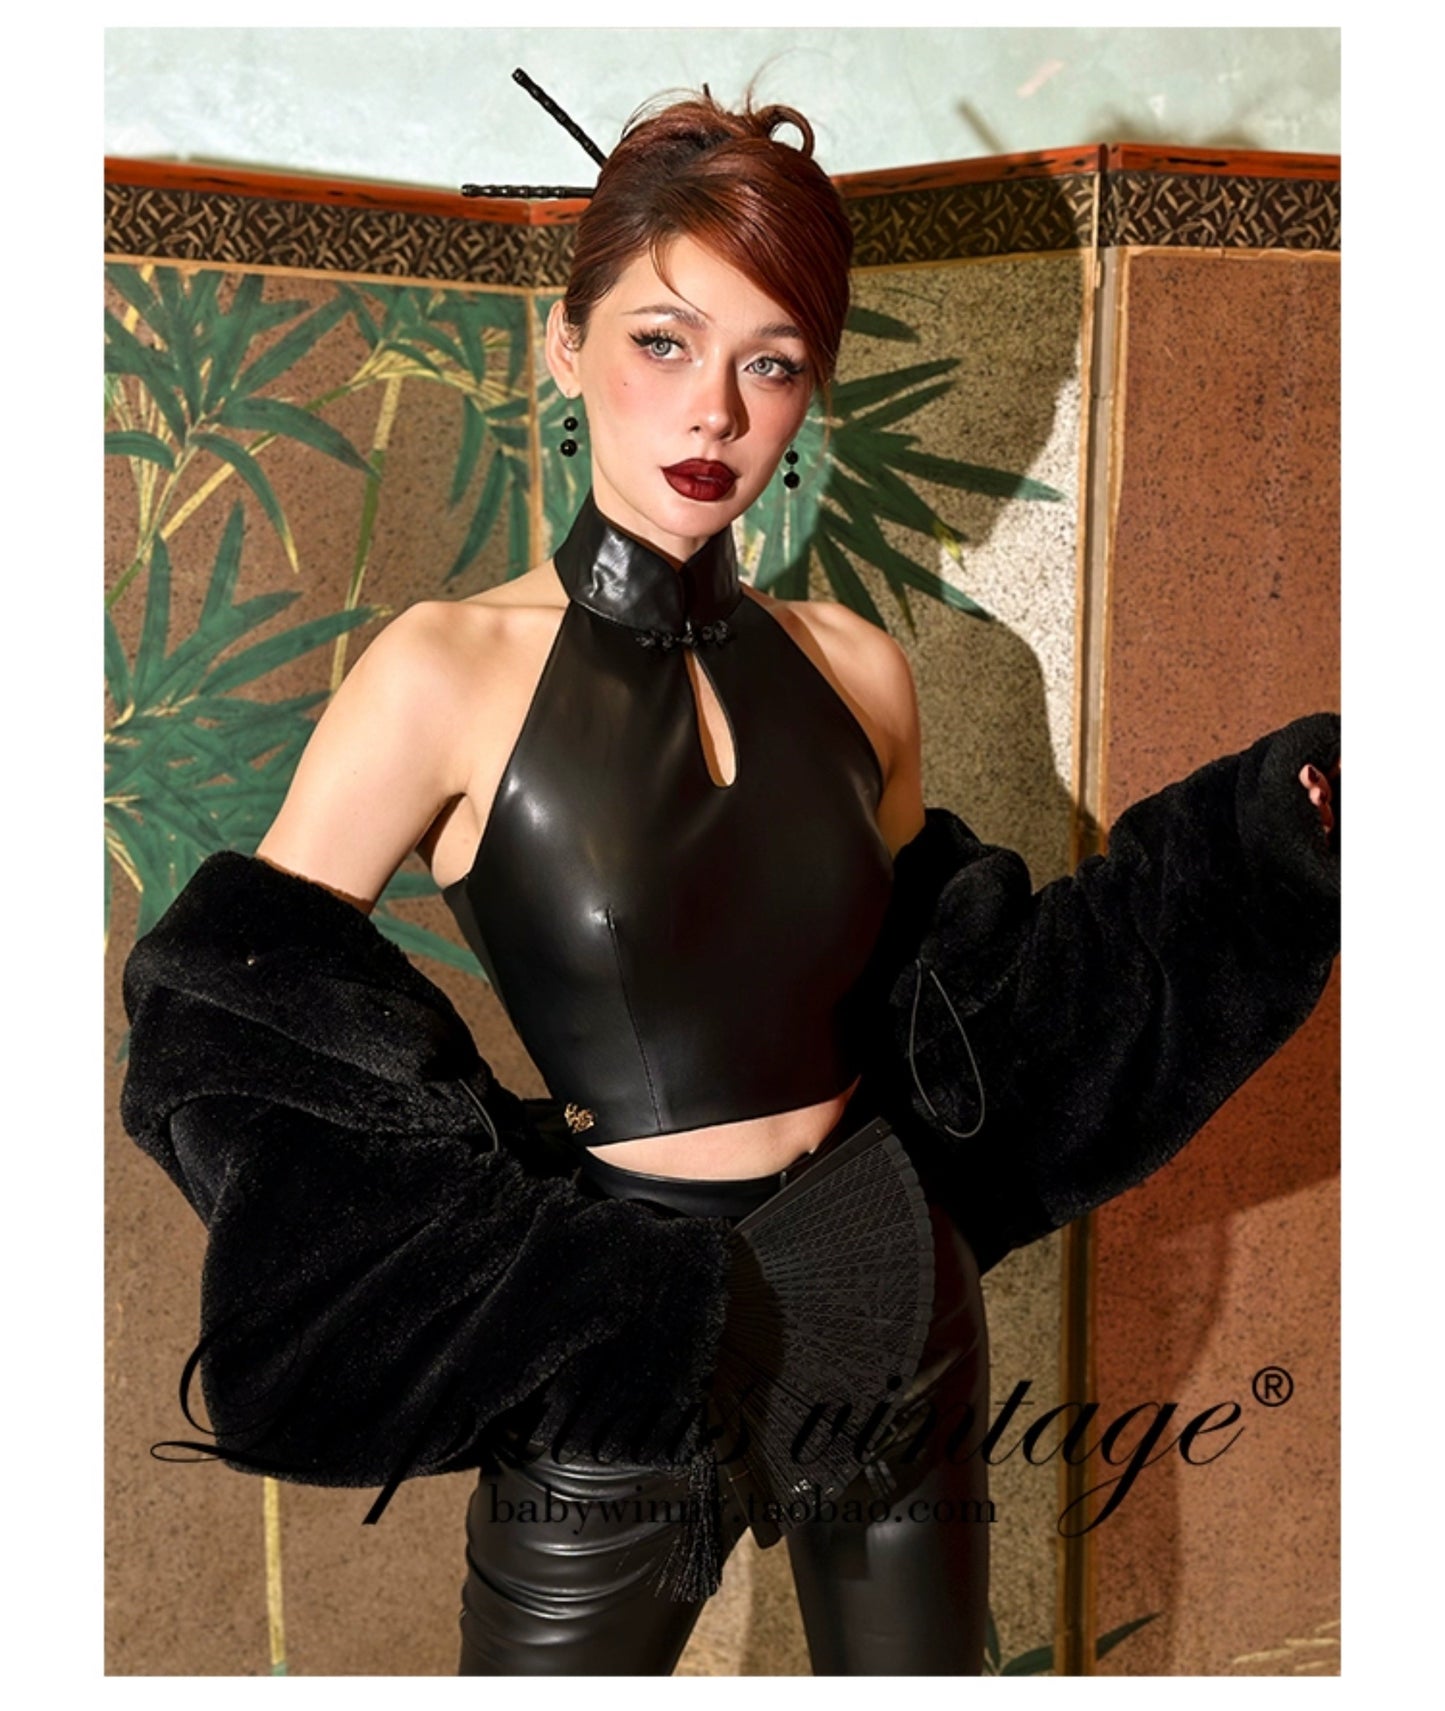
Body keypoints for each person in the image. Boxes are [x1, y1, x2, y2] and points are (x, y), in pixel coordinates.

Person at [120, 89, 1339, 1677]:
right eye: (662, 343)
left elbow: (964, 1023)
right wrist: (513, 1261)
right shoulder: (441, 671)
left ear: (809, 387)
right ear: (565, 346)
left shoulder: (856, 670)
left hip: (886, 1280)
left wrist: (1260, 844)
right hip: (623, 1335)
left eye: (768, 362)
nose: (711, 413)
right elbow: (239, 1014)